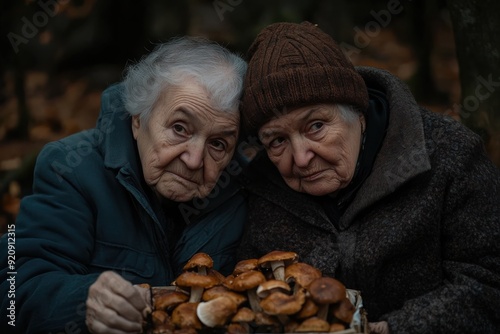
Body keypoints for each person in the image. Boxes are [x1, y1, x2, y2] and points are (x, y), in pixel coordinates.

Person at [237, 21, 500, 333]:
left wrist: (396, 329)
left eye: (316, 126)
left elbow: (489, 282)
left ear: (358, 113)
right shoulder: (259, 186)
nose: (302, 158)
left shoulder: (448, 155)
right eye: (277, 140)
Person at [0, 36, 248, 333]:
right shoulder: (69, 168)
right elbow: (12, 294)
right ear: (138, 119)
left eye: (218, 143)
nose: (194, 160)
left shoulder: (243, 191)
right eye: (180, 128)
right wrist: (83, 300)